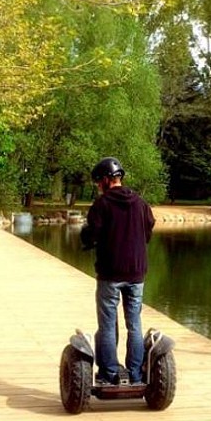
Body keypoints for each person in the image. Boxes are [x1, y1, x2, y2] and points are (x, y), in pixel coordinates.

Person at [81, 157, 155, 385]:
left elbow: (91, 235)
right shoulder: (140, 203)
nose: (98, 188)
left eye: (97, 183)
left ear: (105, 180)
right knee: (134, 323)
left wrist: (87, 239)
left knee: (108, 323)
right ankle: (134, 375)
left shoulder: (102, 205)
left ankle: (110, 374)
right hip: (136, 272)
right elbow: (149, 229)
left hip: (110, 273)